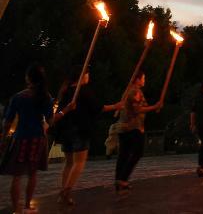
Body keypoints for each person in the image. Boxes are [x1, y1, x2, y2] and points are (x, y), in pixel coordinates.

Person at [1, 64, 66, 214]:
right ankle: (27, 206)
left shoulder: (18, 97)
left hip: (21, 138)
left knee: (16, 176)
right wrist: (64, 112)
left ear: (28, 78)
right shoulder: (46, 97)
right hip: (38, 139)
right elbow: (50, 122)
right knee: (32, 174)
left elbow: (7, 121)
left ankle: (16, 209)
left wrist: (3, 139)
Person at [54, 68, 123, 205]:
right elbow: (98, 108)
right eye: (87, 73)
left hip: (66, 132)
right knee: (79, 162)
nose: (88, 76)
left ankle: (63, 191)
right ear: (81, 76)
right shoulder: (83, 90)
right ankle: (65, 192)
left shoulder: (65, 91)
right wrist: (116, 106)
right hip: (80, 130)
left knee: (69, 163)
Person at [114, 72, 160, 191]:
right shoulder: (135, 91)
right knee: (137, 153)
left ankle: (119, 179)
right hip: (133, 127)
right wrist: (154, 107)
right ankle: (123, 179)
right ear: (137, 79)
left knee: (123, 154)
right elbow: (137, 109)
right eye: (143, 78)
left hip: (123, 127)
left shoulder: (128, 90)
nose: (144, 80)